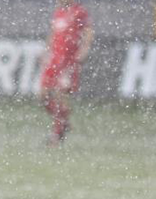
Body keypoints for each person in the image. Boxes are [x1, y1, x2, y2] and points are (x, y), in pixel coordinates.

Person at [40, 0, 93, 148]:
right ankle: (63, 120)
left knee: (60, 94)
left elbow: (88, 32)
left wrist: (84, 50)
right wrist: (46, 52)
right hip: (54, 60)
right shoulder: (58, 12)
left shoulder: (79, 11)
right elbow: (53, 34)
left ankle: (56, 135)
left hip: (68, 61)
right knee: (43, 95)